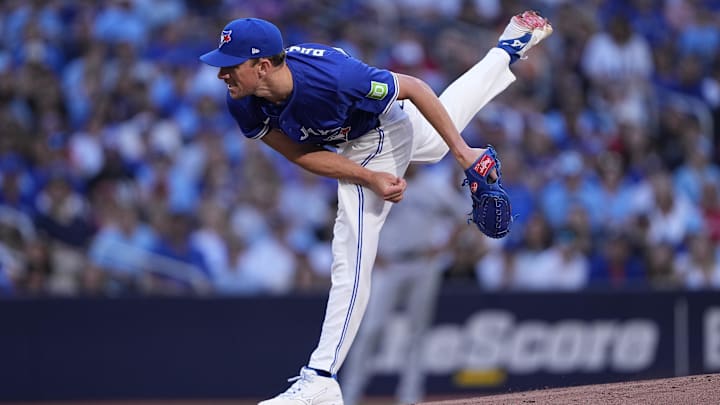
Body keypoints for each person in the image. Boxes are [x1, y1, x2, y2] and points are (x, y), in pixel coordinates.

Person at [199, 11, 552, 405]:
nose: (221, 75)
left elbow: (415, 88)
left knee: (350, 251)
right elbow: (301, 155)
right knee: (432, 143)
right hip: (358, 142)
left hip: (380, 130)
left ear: (263, 66)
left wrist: (463, 153)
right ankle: (509, 47)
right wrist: (369, 176)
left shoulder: (334, 78)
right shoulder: (244, 101)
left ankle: (321, 376)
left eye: (230, 66)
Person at [340, 164, 466, 405]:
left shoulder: (434, 187)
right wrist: (372, 255)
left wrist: (445, 247)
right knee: (371, 329)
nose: (414, 161)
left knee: (417, 330)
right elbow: (358, 218)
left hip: (423, 263)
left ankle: (410, 396)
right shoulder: (382, 182)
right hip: (390, 264)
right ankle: (350, 394)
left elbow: (462, 216)